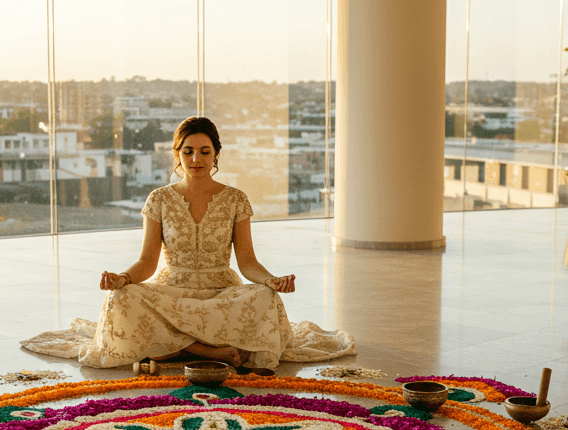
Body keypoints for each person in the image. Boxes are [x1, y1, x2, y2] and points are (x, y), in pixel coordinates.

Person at [20, 117, 355, 369]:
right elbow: (147, 263)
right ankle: (203, 350)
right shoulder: (159, 199)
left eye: (204, 151)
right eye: (188, 151)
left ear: (216, 154)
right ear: (177, 155)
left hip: (220, 291)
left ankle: (174, 348)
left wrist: (271, 281)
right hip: (172, 290)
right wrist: (122, 278)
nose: (196, 159)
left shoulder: (236, 199)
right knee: (122, 299)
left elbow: (248, 261)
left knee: (264, 298)